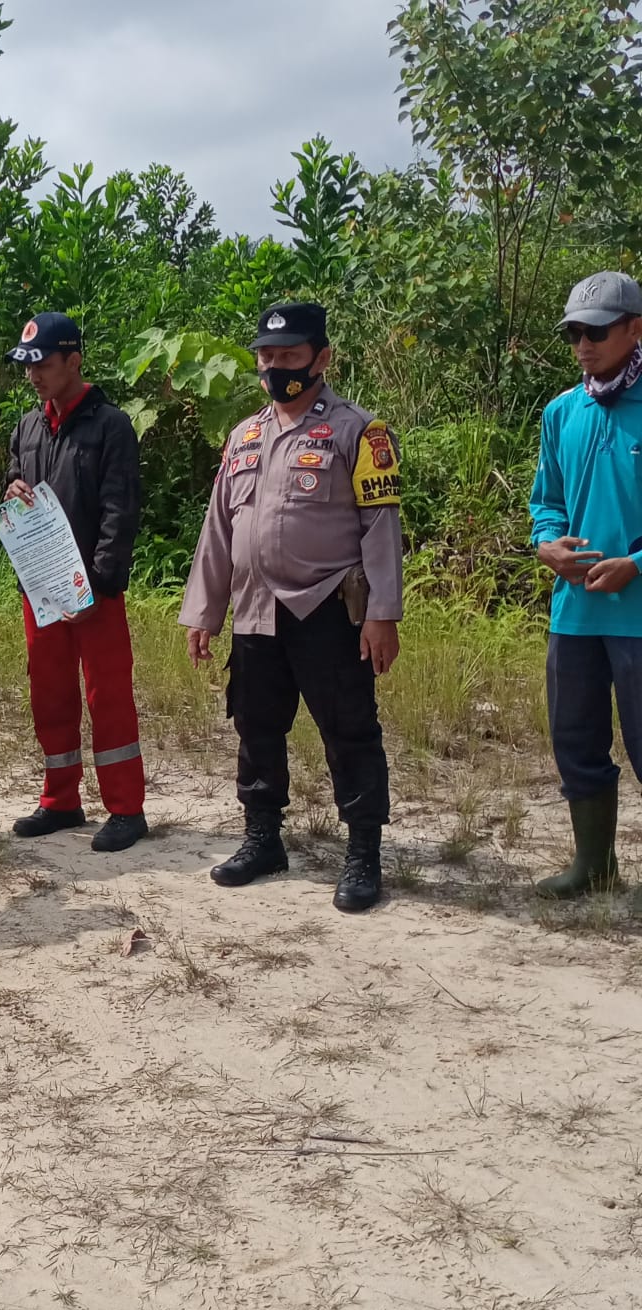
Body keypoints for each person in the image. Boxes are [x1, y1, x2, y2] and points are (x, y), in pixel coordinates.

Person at [180, 301, 403, 913]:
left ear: (321, 358)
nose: (276, 368)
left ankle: (363, 853)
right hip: (255, 609)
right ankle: (262, 839)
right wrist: (205, 612)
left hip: (327, 607)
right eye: (267, 356)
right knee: (255, 725)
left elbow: (381, 527)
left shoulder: (360, 431)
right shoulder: (244, 436)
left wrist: (382, 613)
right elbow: (219, 531)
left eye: (290, 356)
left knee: (349, 730)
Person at [3, 311, 149, 852]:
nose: (33, 374)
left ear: (74, 361)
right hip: (40, 587)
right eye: (27, 366)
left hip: (95, 593)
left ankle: (126, 809)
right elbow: (14, 476)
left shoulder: (110, 425)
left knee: (107, 695)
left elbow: (120, 510)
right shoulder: (28, 426)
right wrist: (13, 486)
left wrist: (101, 585)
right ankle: (60, 800)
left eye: (42, 363)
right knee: (50, 696)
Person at [529, 271, 642, 908]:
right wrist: (548, 544)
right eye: (574, 332)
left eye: (595, 331)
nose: (582, 344)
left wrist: (637, 563)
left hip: (639, 613)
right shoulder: (562, 412)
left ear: (635, 329)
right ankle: (594, 865)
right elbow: (546, 502)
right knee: (576, 739)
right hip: (574, 615)